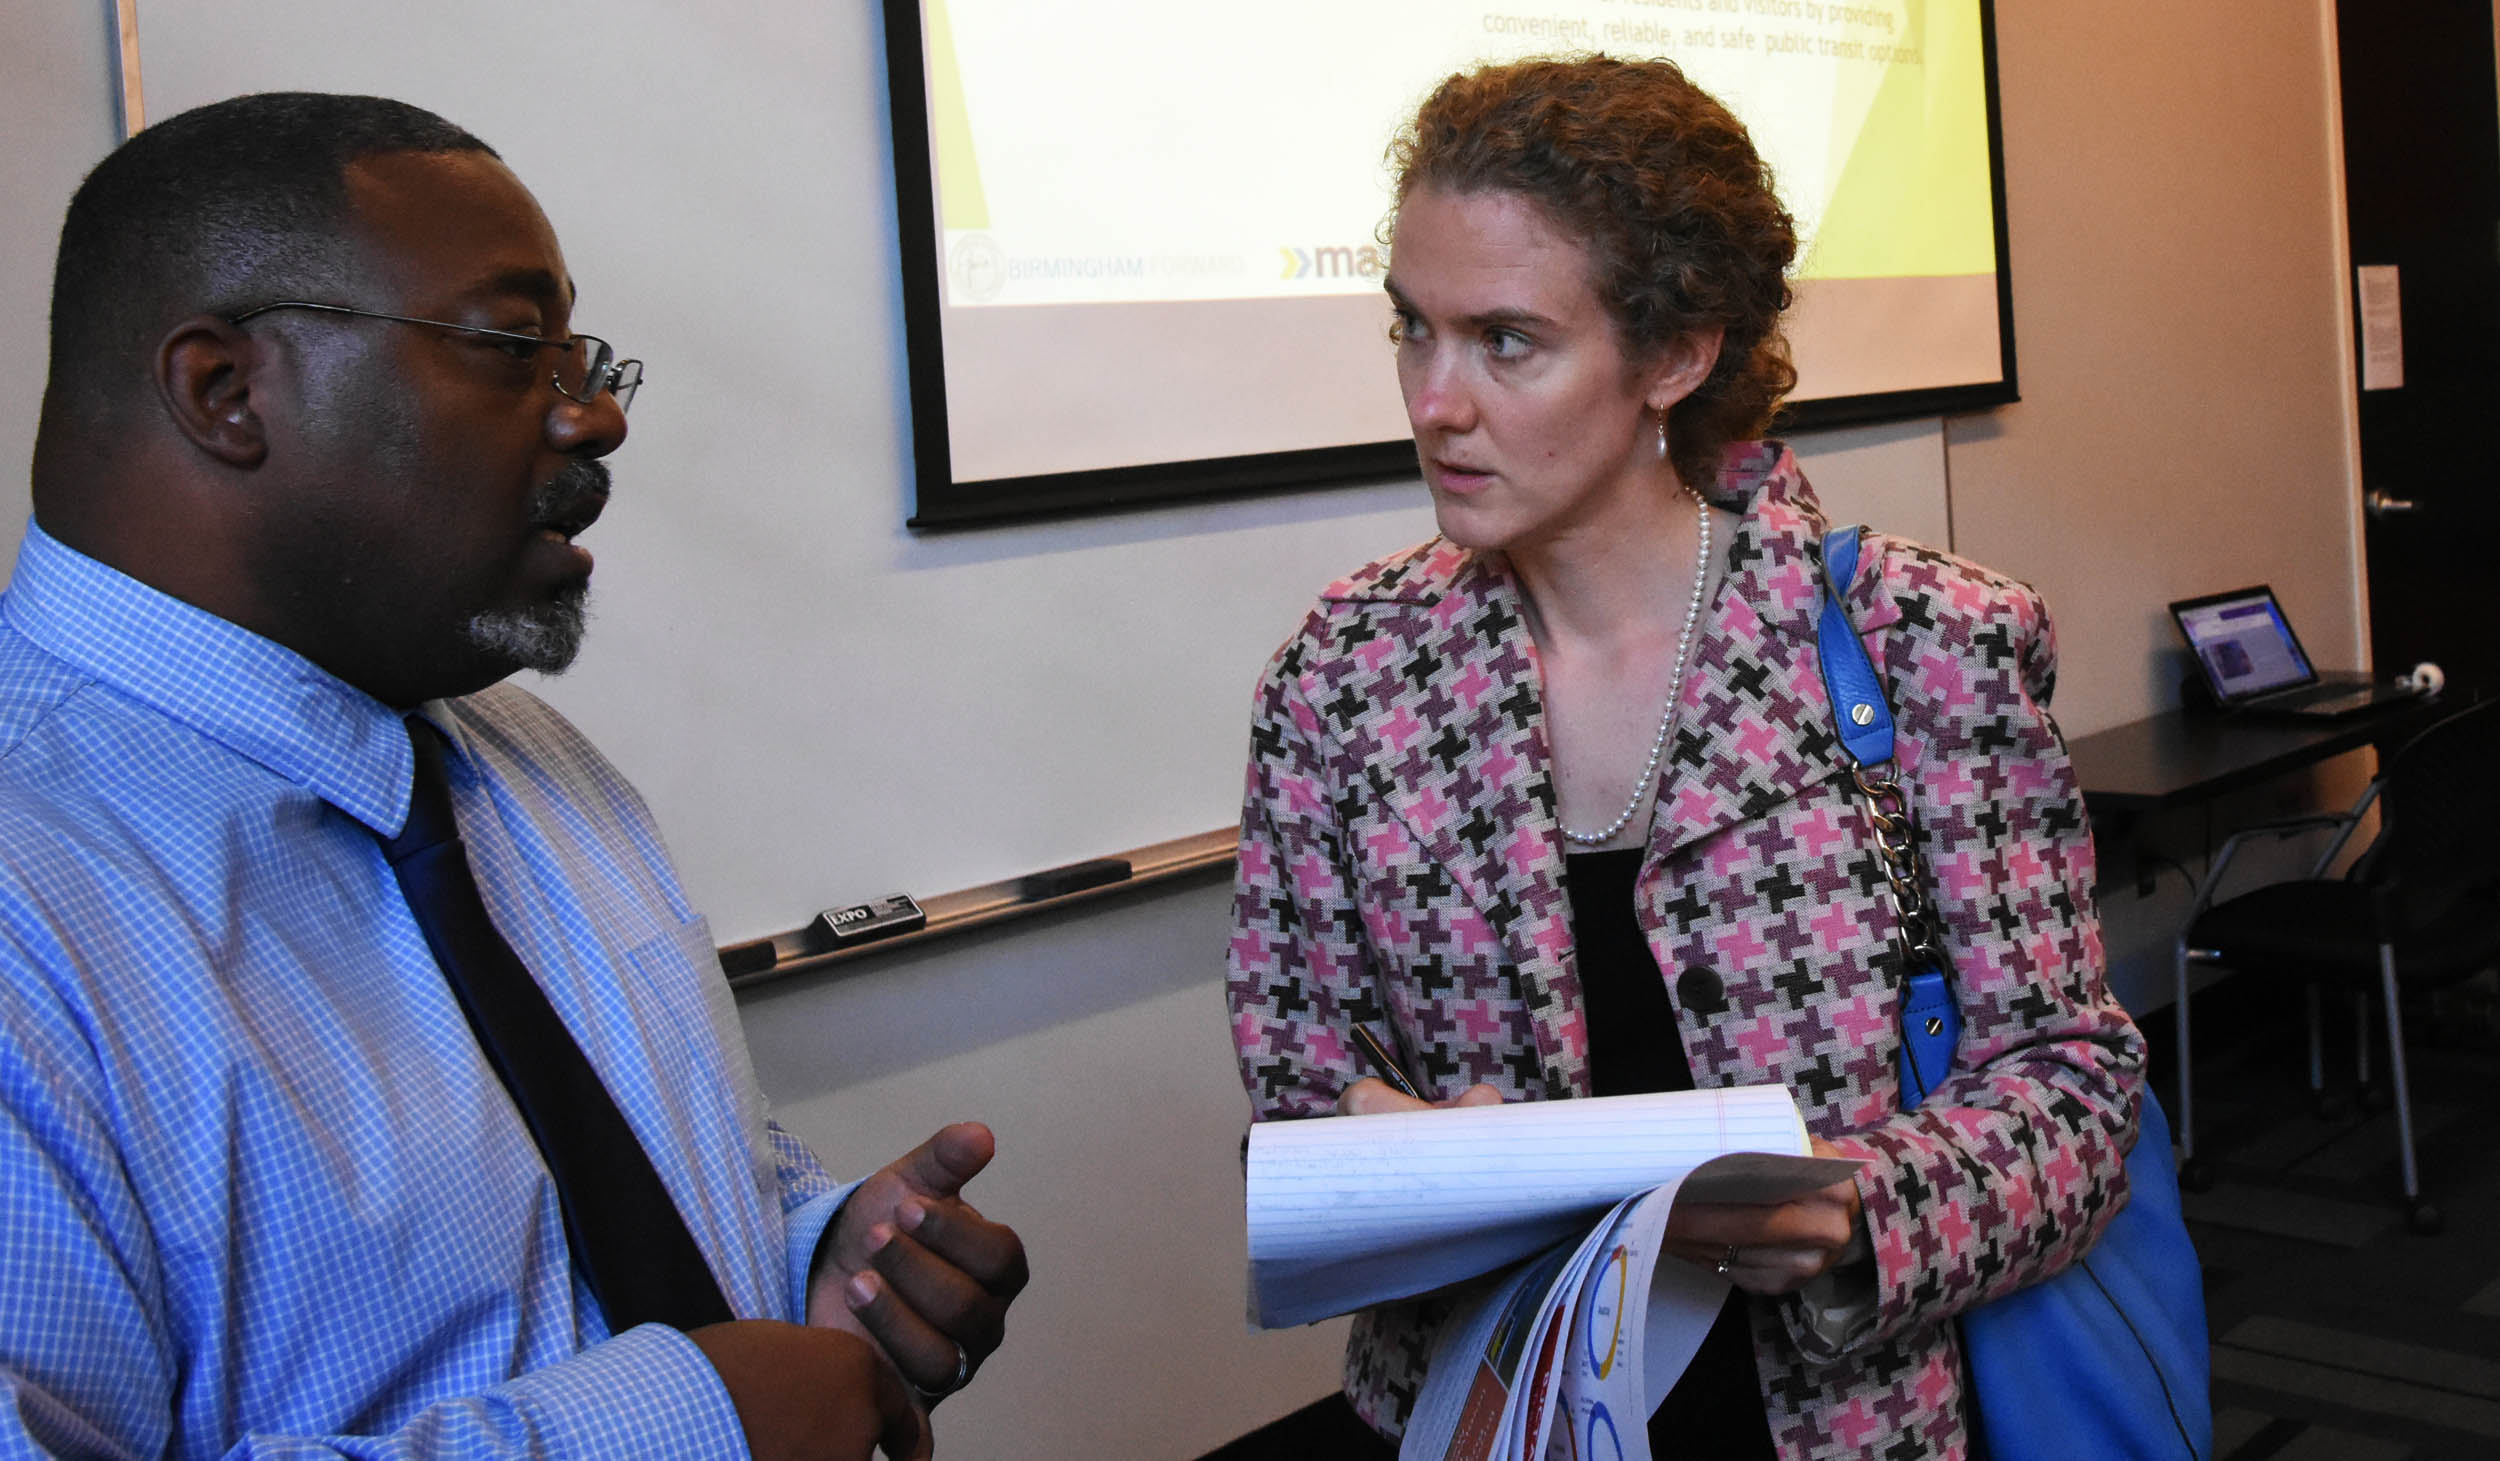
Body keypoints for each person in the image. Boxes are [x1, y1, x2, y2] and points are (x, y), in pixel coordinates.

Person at [0, 93, 1025, 1460]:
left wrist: (810, 1260)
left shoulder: (532, 768)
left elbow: (618, 1201)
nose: (594, 416)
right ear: (225, 392)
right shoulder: (30, 912)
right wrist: (680, 1430)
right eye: (509, 347)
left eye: (581, 357)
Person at [1226, 56, 2145, 1458]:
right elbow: (1292, 1089)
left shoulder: (1925, 642)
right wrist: (1381, 1135)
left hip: (1845, 1415)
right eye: (1414, 328)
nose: (1435, 400)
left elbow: (2074, 1089)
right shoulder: (1344, 675)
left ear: (1676, 355)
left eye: (1506, 342)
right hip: (1490, 1414)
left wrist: (1861, 1204)